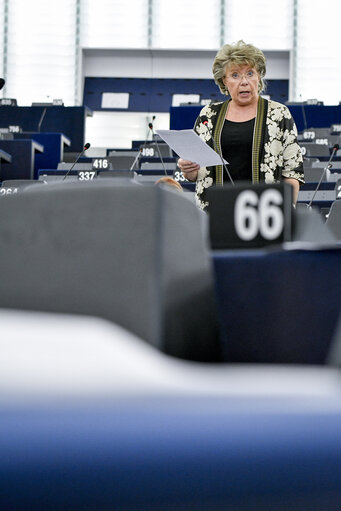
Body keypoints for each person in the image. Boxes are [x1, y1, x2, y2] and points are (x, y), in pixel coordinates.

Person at [177, 40, 304, 210]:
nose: (244, 81)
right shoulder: (208, 114)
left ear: (259, 77)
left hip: (265, 216)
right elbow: (195, 174)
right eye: (235, 75)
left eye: (250, 73)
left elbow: (293, 171)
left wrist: (286, 212)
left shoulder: (279, 114)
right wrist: (188, 169)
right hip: (214, 214)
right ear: (224, 80)